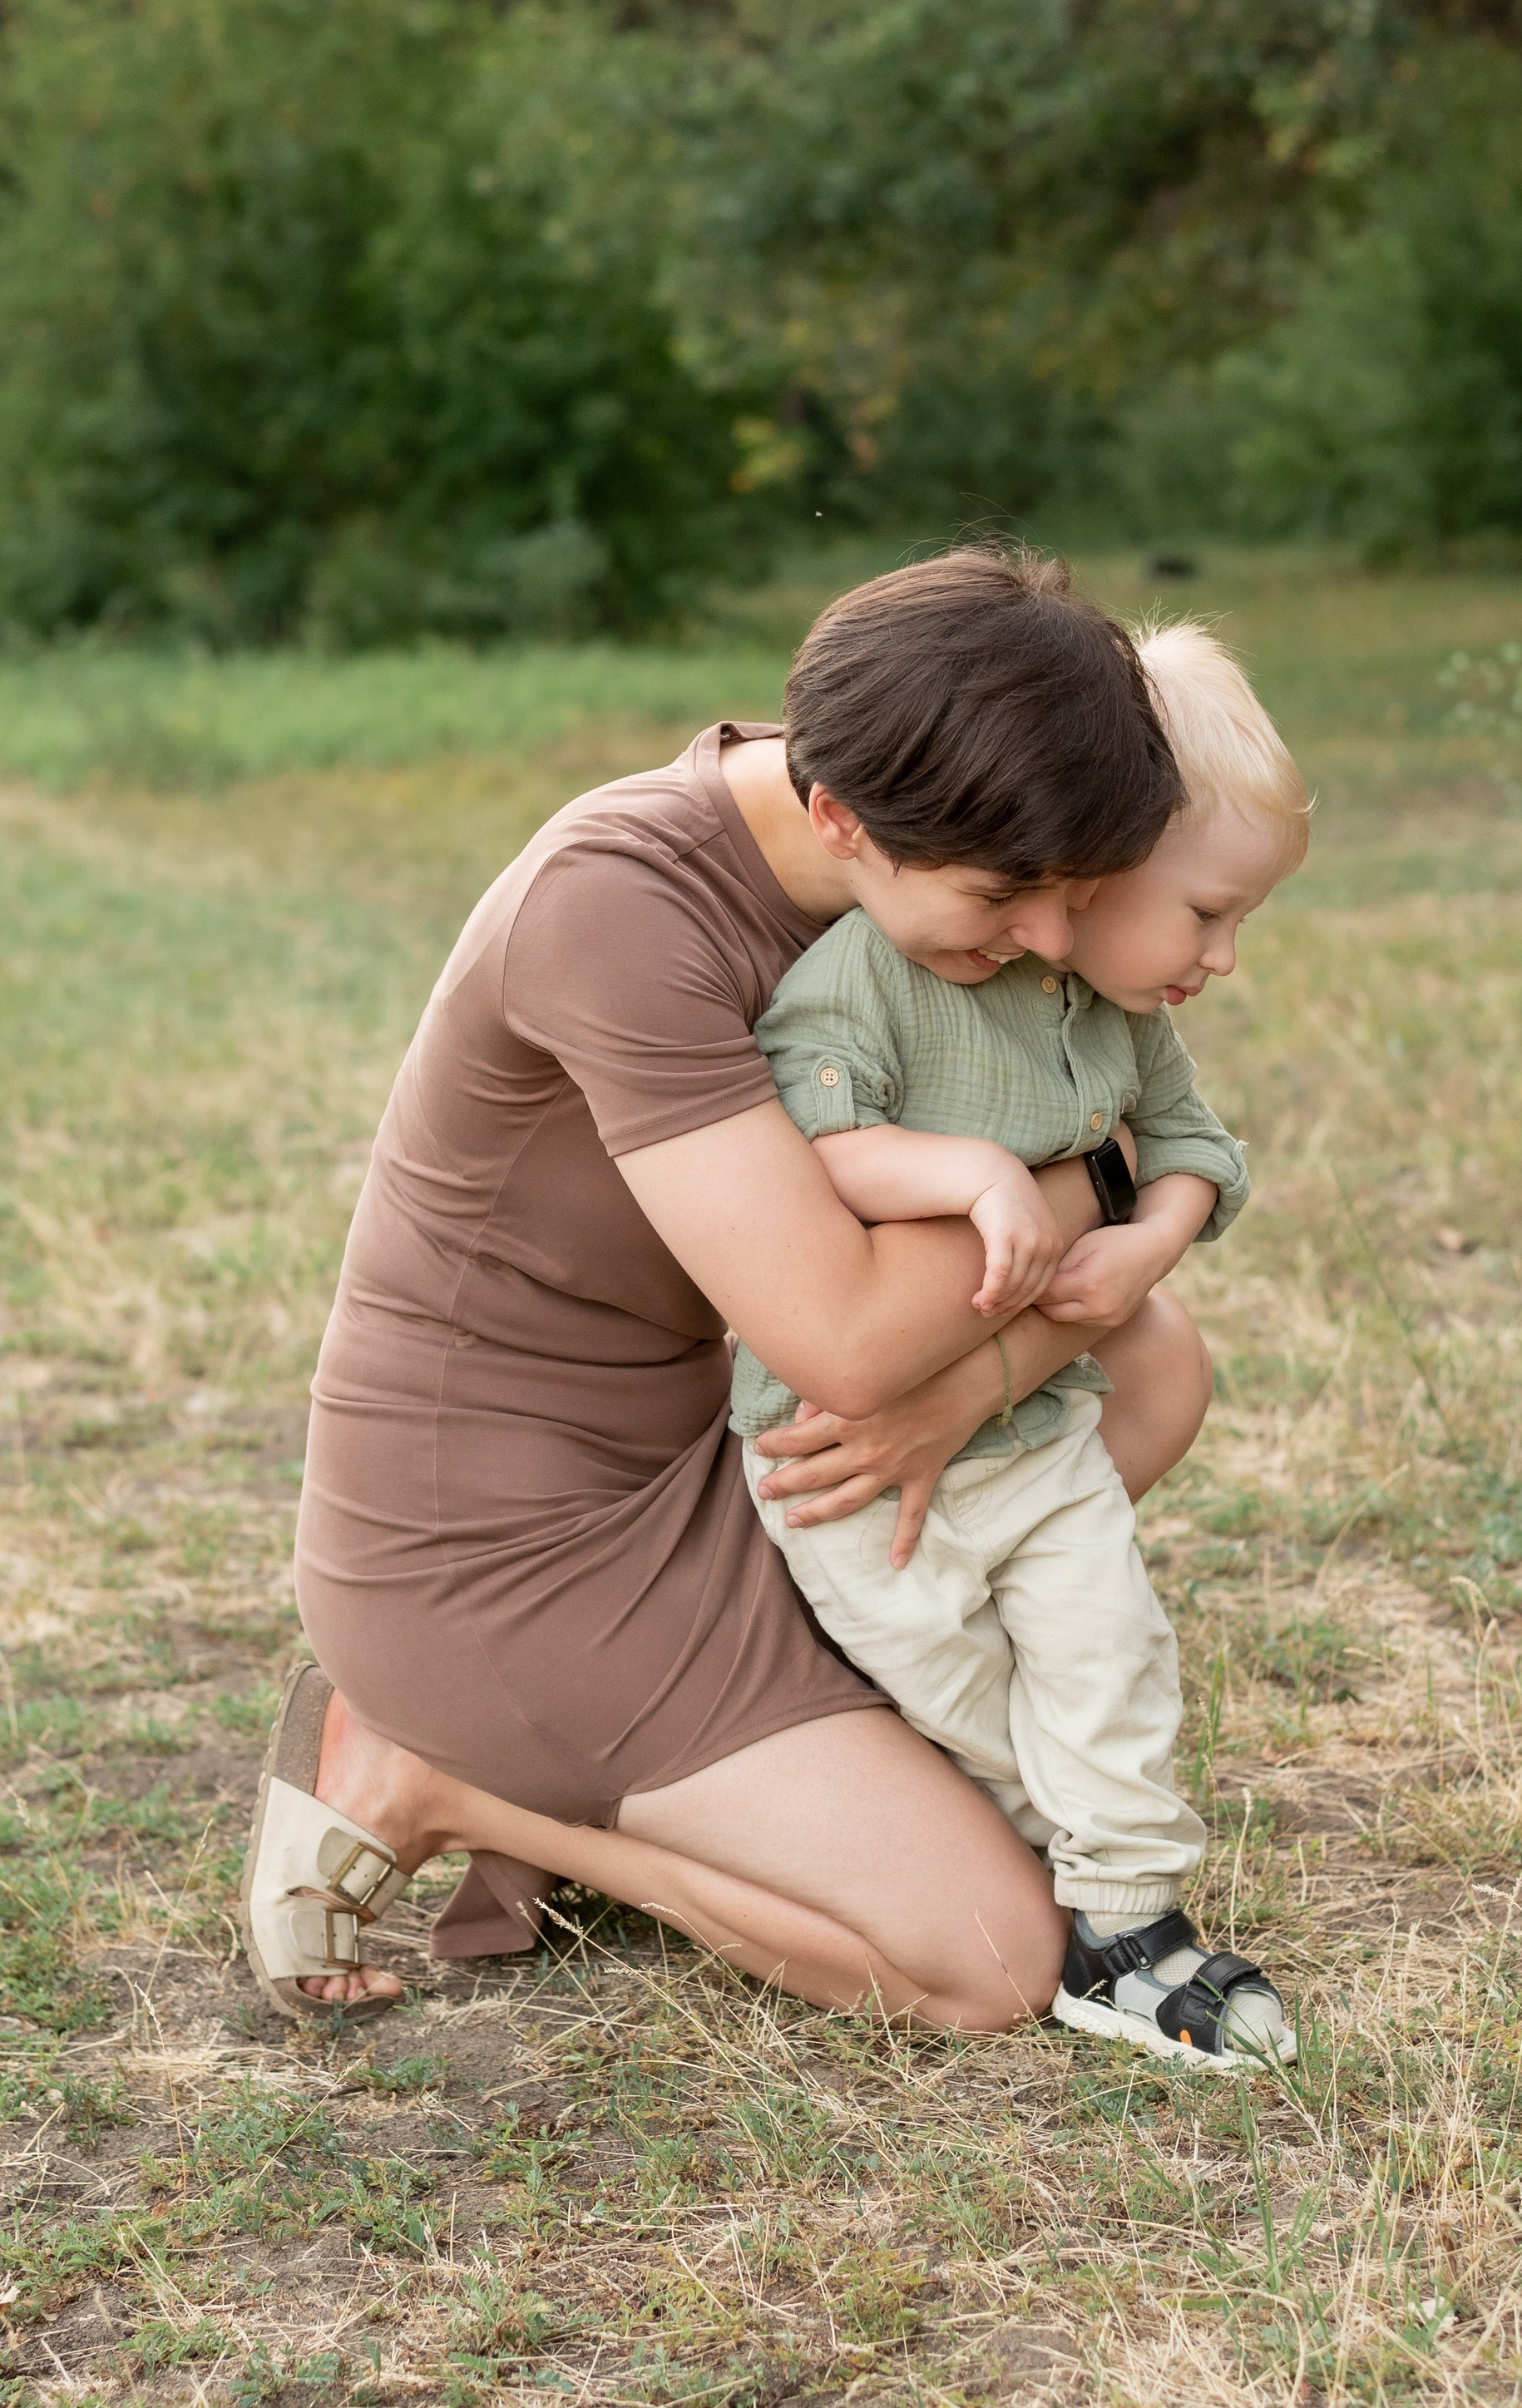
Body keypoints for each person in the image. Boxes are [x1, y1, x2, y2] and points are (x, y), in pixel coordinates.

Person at [240, 548, 1217, 2035]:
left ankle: (798, 1750)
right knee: (992, 1963)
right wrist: (1107, 1179)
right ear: (840, 817)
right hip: (500, 1543)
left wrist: (978, 1367)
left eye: (1075, 898)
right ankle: (446, 1776)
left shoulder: (906, 854)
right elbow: (845, 1335)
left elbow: (1058, 1201)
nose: (1048, 945)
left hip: (717, 1461)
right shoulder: (621, 911)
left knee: (1152, 1359)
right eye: (1010, 900)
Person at [734, 621, 1310, 2069]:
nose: (1224, 957)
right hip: (847, 1467)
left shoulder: (1106, 1014)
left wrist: (1154, 1235)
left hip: (1036, 1430)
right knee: (958, 1697)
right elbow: (812, 1154)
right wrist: (976, 1175)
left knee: (1108, 1655)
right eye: (1207, 915)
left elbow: (1190, 1147)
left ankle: (1127, 1918)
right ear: (1099, 870)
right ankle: (1021, 1863)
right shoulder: (870, 977)